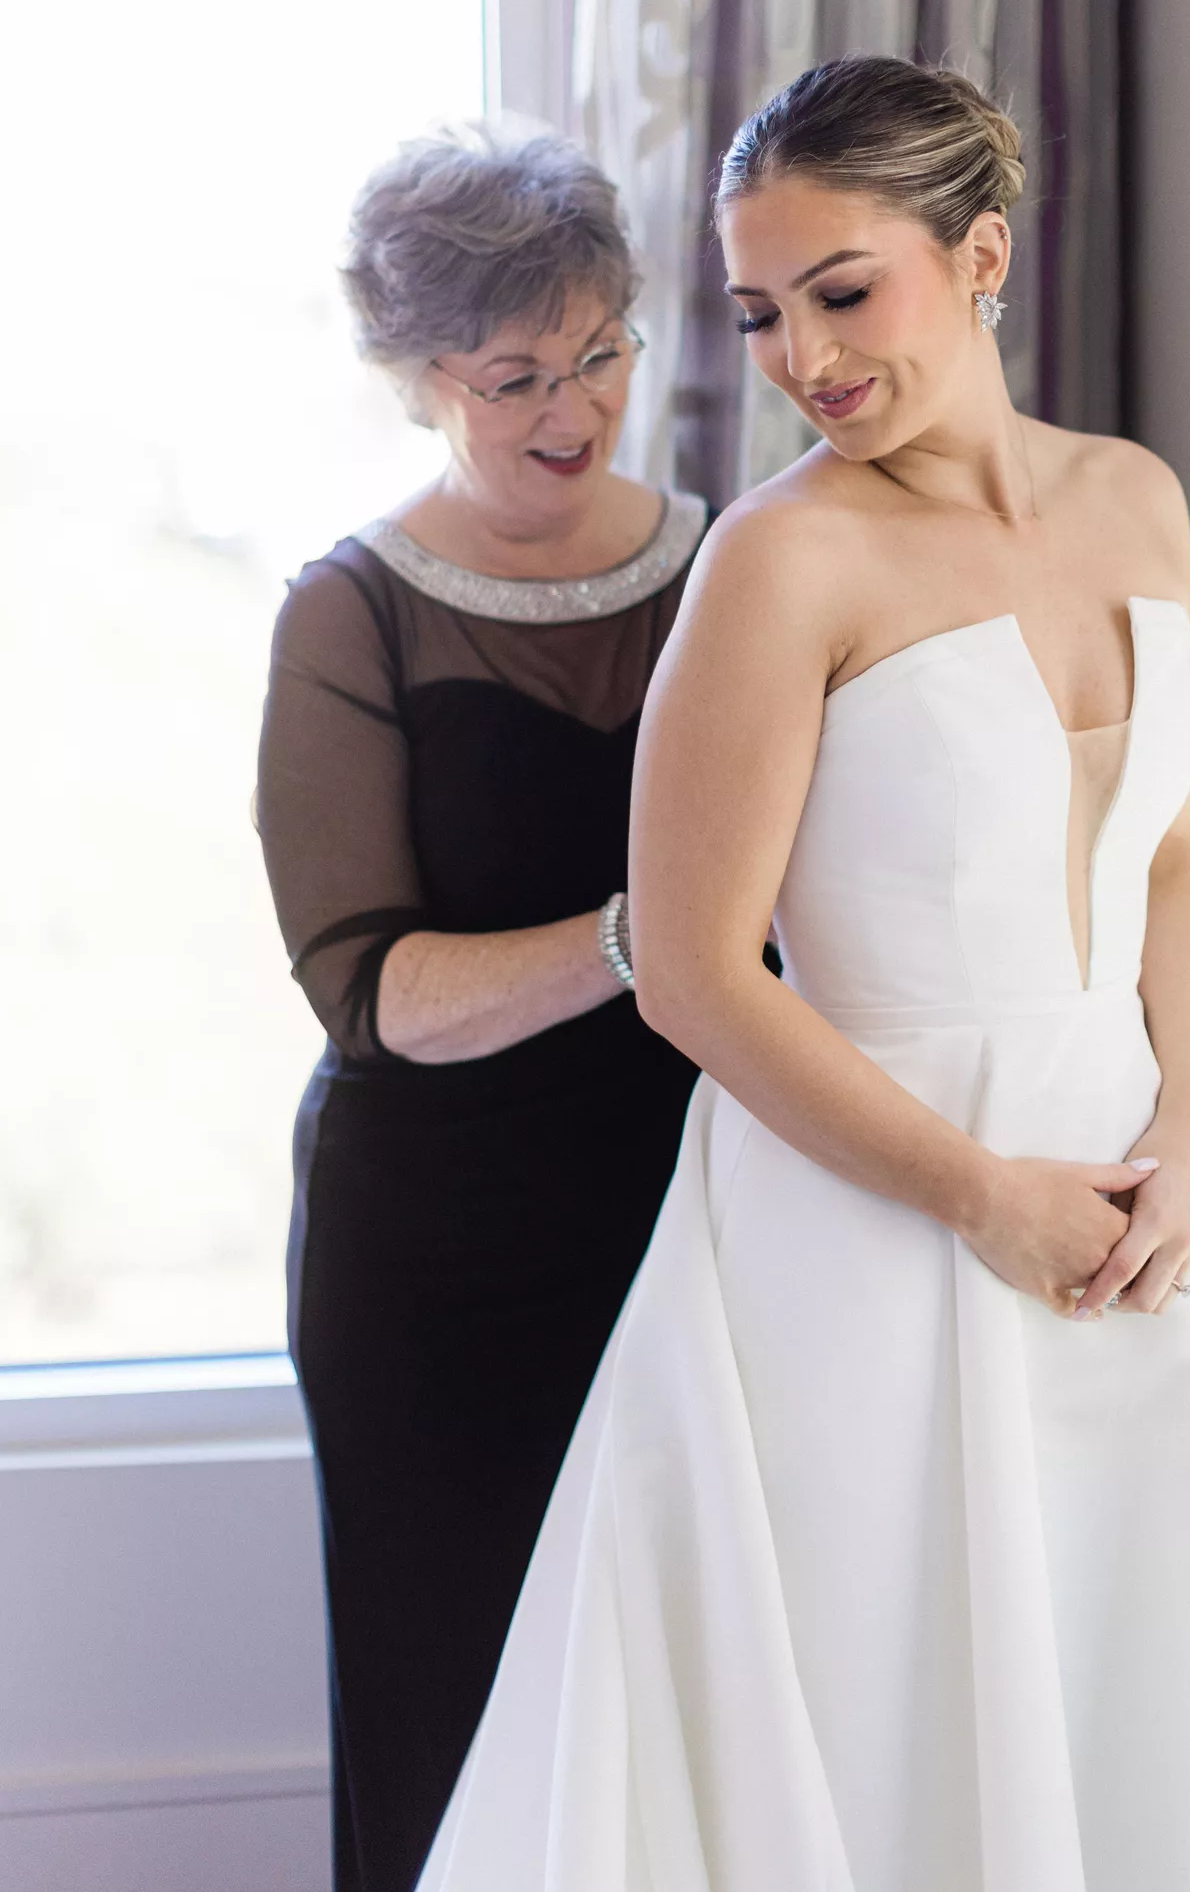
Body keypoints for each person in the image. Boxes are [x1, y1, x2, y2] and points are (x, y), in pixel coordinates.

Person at [414, 61, 1190, 1891]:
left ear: (979, 254)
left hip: (1128, 1207)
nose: (803, 359)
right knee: (888, 1747)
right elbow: (688, 970)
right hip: (867, 1229)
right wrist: (982, 1198)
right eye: (759, 313)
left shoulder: (1135, 500)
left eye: (843, 291)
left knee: (1150, 1702)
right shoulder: (779, 560)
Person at [255, 124, 707, 1892]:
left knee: (685, 1700)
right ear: (417, 375)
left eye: (600, 348)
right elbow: (371, 991)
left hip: (694, 1220)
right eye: (517, 370)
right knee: (455, 1711)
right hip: (435, 1258)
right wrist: (639, 939)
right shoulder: (349, 617)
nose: (572, 403)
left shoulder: (735, 563)